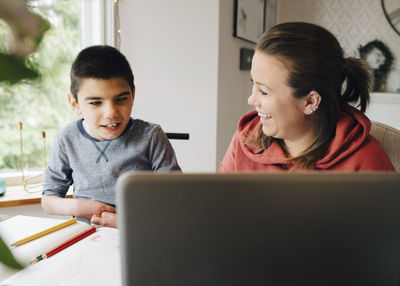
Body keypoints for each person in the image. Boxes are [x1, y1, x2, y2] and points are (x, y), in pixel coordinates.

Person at [220, 22, 395, 172]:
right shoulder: (243, 141)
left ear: (310, 101)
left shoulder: (367, 161)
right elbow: (220, 207)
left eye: (264, 92)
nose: (251, 100)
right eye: (254, 84)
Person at [42, 45, 181, 227]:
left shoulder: (151, 136)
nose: (111, 113)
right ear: (74, 103)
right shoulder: (66, 139)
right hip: (86, 237)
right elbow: (49, 200)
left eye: (121, 99)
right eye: (96, 102)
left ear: (133, 94)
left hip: (140, 233)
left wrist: (126, 222)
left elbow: (174, 198)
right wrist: (80, 207)